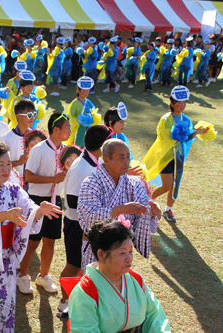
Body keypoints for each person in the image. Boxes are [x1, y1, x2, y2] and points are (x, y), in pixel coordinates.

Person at [0, 141, 62, 332]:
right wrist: (4, 216)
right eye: (0, 164)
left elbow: (29, 208)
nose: (6, 169)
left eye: (9, 164)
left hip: (6, 258)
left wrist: (40, 210)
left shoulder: (13, 189)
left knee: (6, 306)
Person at [67, 219, 172, 331]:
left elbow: (155, 315)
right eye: (122, 253)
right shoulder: (86, 291)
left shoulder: (136, 279)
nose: (129, 258)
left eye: (130, 252)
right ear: (101, 254)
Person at [78, 139, 162, 274]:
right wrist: (121, 209)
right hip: (98, 249)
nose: (126, 161)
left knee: (117, 288)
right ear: (106, 159)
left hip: (122, 250)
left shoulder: (129, 182)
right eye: (121, 157)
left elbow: (144, 203)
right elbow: (89, 217)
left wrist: (151, 207)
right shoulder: (91, 183)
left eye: (128, 156)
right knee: (96, 289)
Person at [58, 124, 111, 316]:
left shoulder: (94, 162)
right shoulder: (81, 167)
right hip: (77, 225)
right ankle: (64, 302)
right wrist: (100, 208)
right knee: (73, 264)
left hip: (89, 224)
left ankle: (78, 299)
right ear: (102, 145)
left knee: (85, 265)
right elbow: (71, 201)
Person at [17, 112, 70, 295]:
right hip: (37, 201)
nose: (70, 131)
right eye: (67, 128)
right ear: (56, 130)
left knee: (50, 241)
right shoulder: (39, 149)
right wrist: (52, 179)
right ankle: (23, 276)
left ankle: (43, 276)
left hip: (56, 200)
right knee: (32, 242)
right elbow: (29, 177)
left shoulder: (67, 151)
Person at [142, 86, 208, 223]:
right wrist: (184, 136)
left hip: (178, 157)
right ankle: (149, 199)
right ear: (172, 103)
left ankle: (168, 209)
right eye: (179, 102)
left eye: (185, 102)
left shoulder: (186, 119)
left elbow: (187, 137)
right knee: (167, 186)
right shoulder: (166, 119)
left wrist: (196, 133)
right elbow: (165, 138)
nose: (182, 105)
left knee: (175, 185)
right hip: (166, 157)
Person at [0, 99, 35, 177]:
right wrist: (18, 162)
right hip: (14, 181)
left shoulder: (35, 136)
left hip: (33, 183)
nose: (32, 118)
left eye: (34, 114)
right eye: (29, 115)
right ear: (18, 116)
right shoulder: (6, 138)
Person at [65, 76, 98, 147]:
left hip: (87, 130)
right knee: (76, 147)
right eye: (84, 91)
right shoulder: (75, 103)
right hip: (77, 129)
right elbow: (70, 116)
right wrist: (80, 120)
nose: (86, 93)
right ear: (78, 91)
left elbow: (94, 112)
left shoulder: (89, 102)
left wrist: (92, 118)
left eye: (88, 91)